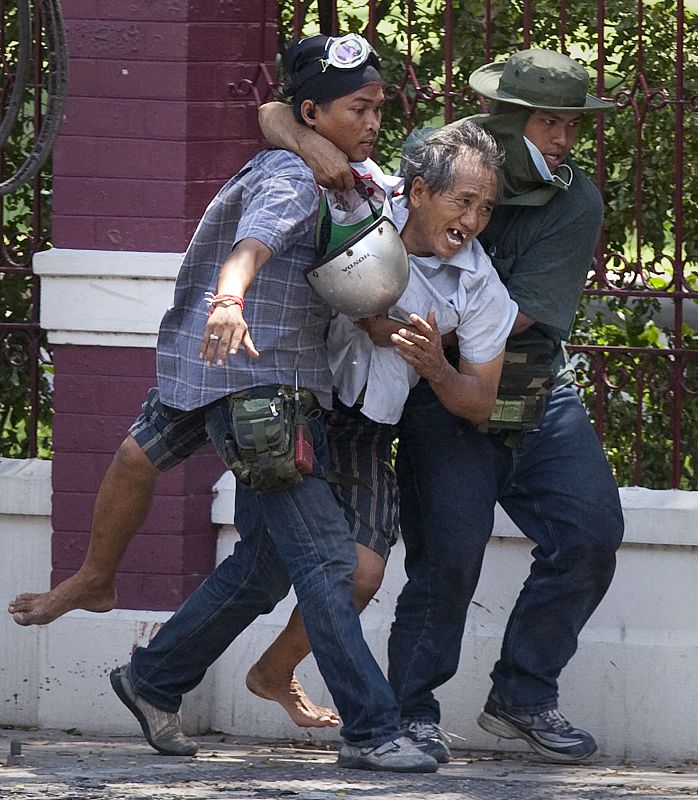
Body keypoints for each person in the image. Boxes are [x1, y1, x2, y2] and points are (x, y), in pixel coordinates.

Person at [12, 33, 440, 774]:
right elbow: (254, 244)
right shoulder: (293, 180)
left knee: (260, 562)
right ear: (315, 113)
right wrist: (231, 298)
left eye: (378, 106)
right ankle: (372, 729)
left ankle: (152, 677)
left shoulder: (338, 171)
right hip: (258, 388)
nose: (374, 120)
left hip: (210, 369)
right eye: (359, 108)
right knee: (328, 561)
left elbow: (311, 207)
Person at [258, 48, 625, 766]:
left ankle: (523, 695)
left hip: (526, 382)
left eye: (573, 127)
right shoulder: (439, 153)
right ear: (505, 118)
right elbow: (282, 116)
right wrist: (301, 136)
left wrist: (392, 312)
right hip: (433, 392)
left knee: (590, 532)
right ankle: (412, 712)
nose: (564, 141)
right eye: (549, 124)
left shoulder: (575, 199)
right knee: (447, 557)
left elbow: (516, 319)